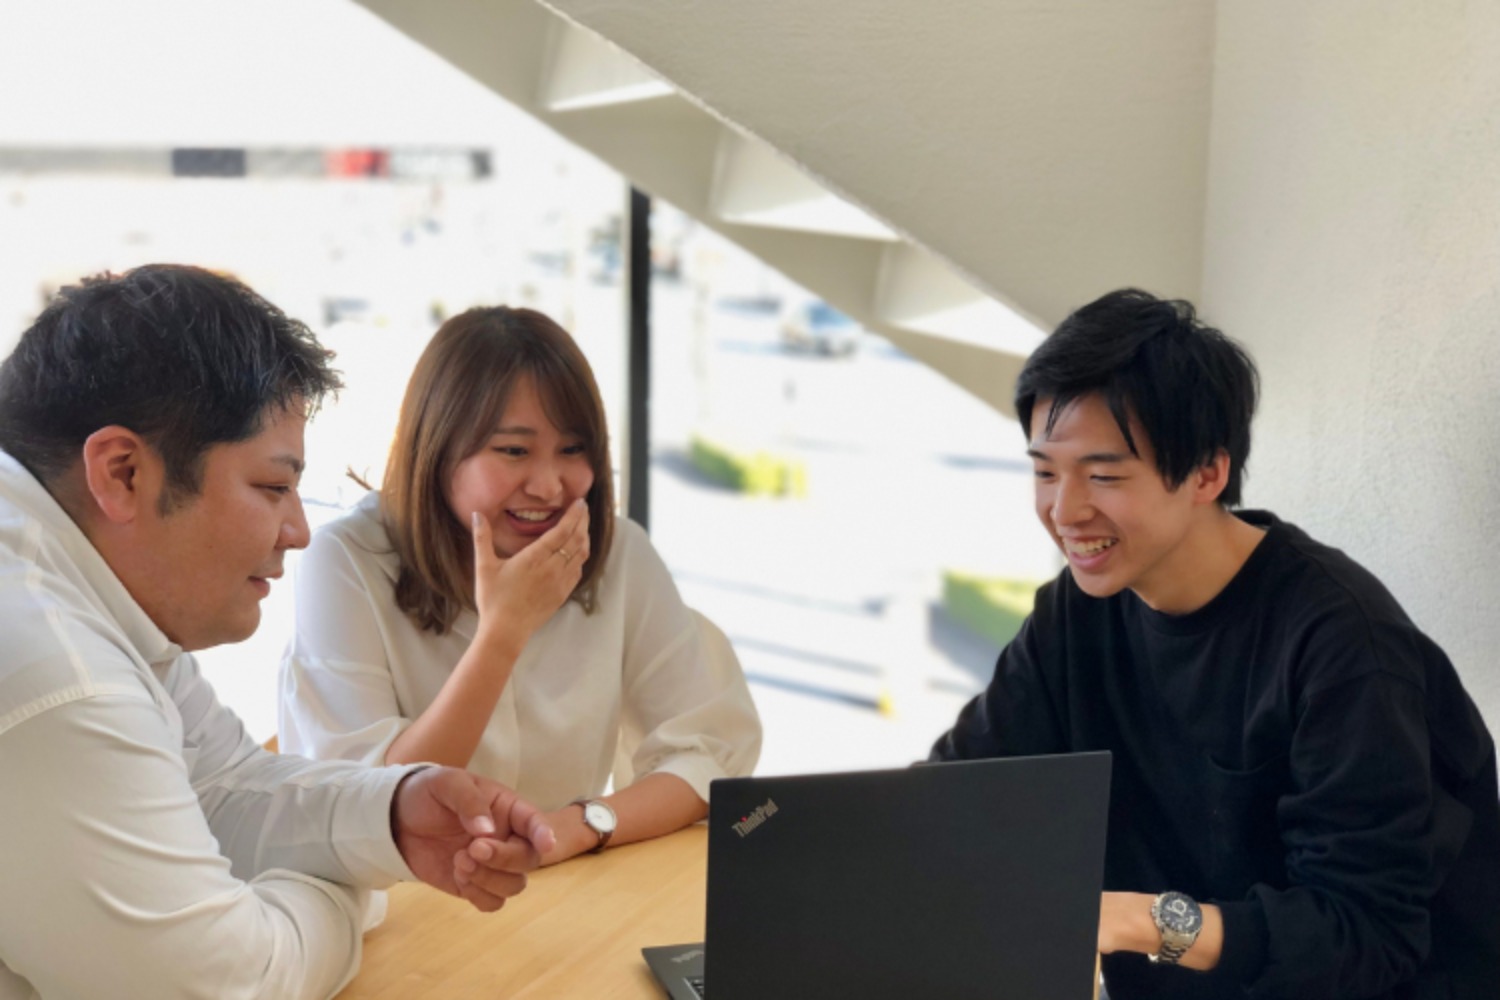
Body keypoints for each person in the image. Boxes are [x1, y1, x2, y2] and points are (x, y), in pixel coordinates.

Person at [0, 265, 557, 1000]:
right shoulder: (60, 676)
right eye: (272, 487)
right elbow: (228, 986)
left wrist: (392, 817)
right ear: (123, 472)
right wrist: (348, 889)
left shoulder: (91, 593)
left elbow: (218, 784)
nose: (298, 530)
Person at [930, 289, 1499, 1000]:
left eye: (1104, 475)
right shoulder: (1074, 614)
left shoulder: (1345, 646)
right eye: (1045, 471)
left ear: (1207, 473)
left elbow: (1362, 934)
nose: (1065, 510)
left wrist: (1137, 922)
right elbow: (957, 795)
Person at [278, 305, 760, 864]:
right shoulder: (347, 561)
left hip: (559, 883)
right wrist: (502, 634)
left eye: (573, 449)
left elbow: (706, 756)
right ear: (437, 449)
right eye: (513, 451)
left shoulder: (619, 554)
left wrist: (574, 828)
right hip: (400, 894)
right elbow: (371, 804)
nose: (549, 486)